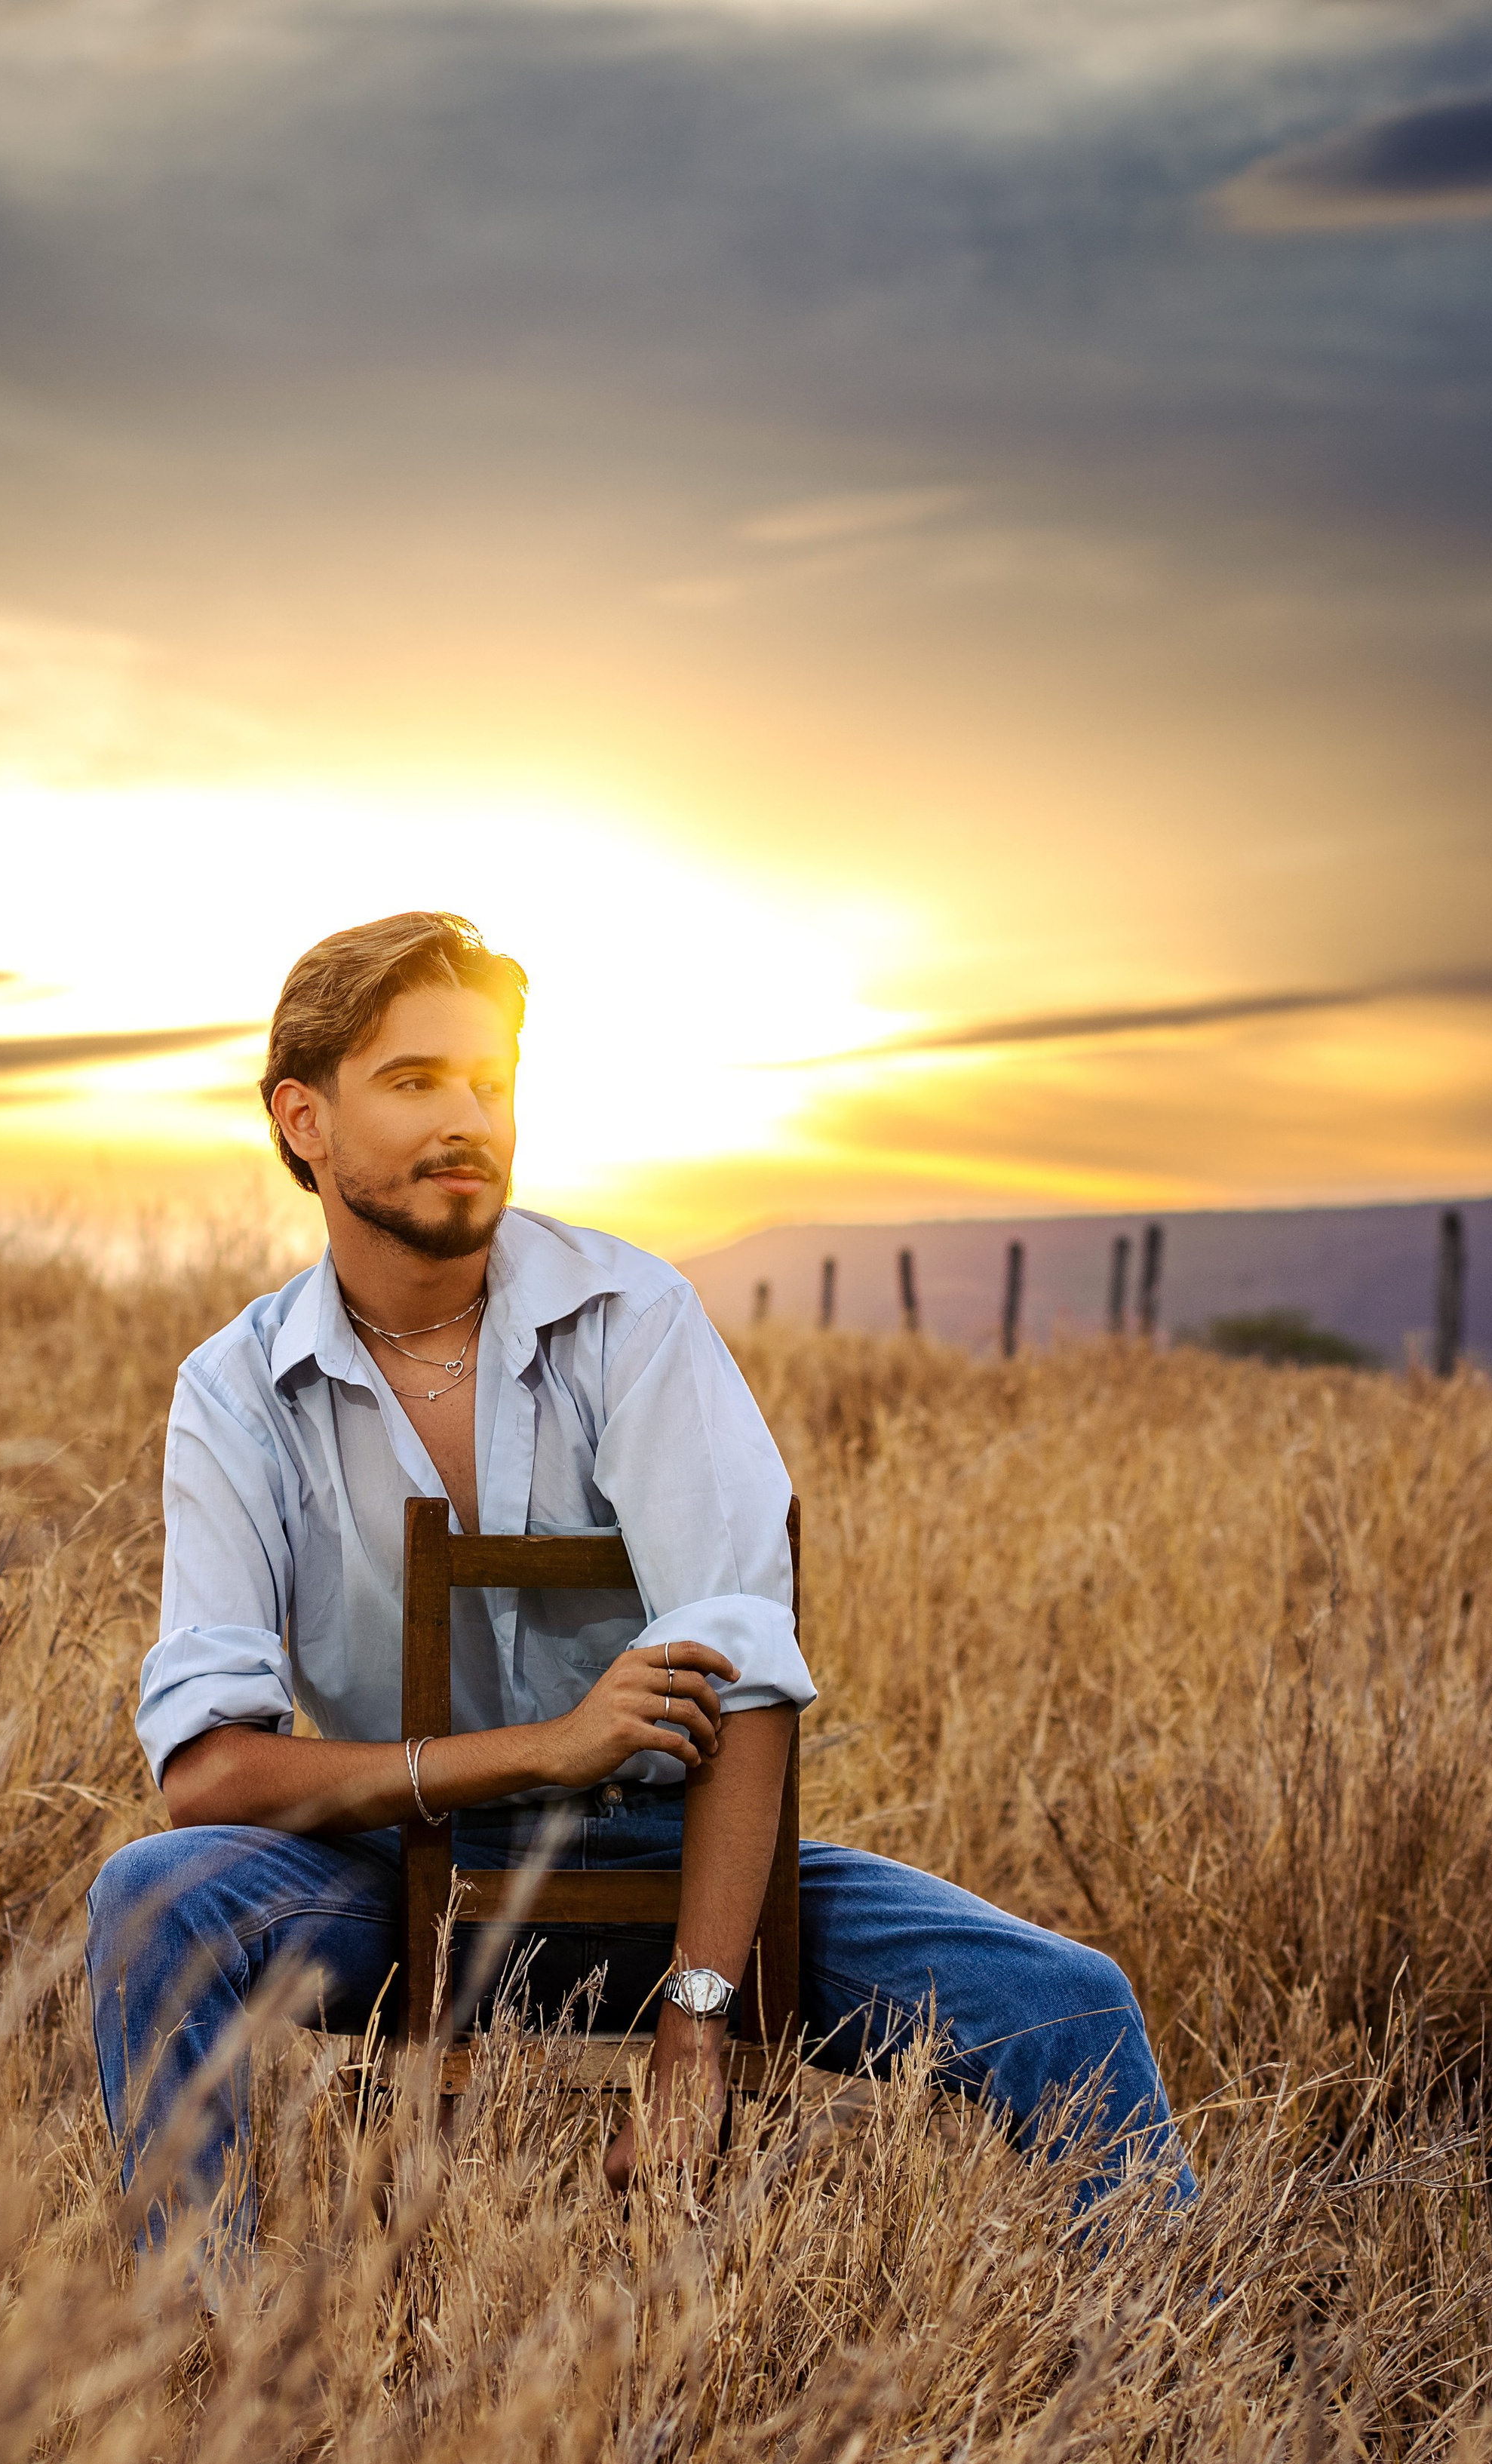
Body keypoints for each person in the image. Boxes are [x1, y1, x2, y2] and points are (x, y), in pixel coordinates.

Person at [85, 910, 1192, 2232]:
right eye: (414, 1080)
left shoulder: (634, 1318)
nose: (471, 1117)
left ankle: (1174, 2381)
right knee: (154, 1906)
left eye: (490, 1081)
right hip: (399, 1883)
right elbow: (205, 1771)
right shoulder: (237, 1389)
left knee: (1072, 2007)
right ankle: (203, 2374)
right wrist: (538, 1750)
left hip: (677, 1866)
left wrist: (698, 2021)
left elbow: (746, 1659)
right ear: (303, 1118)